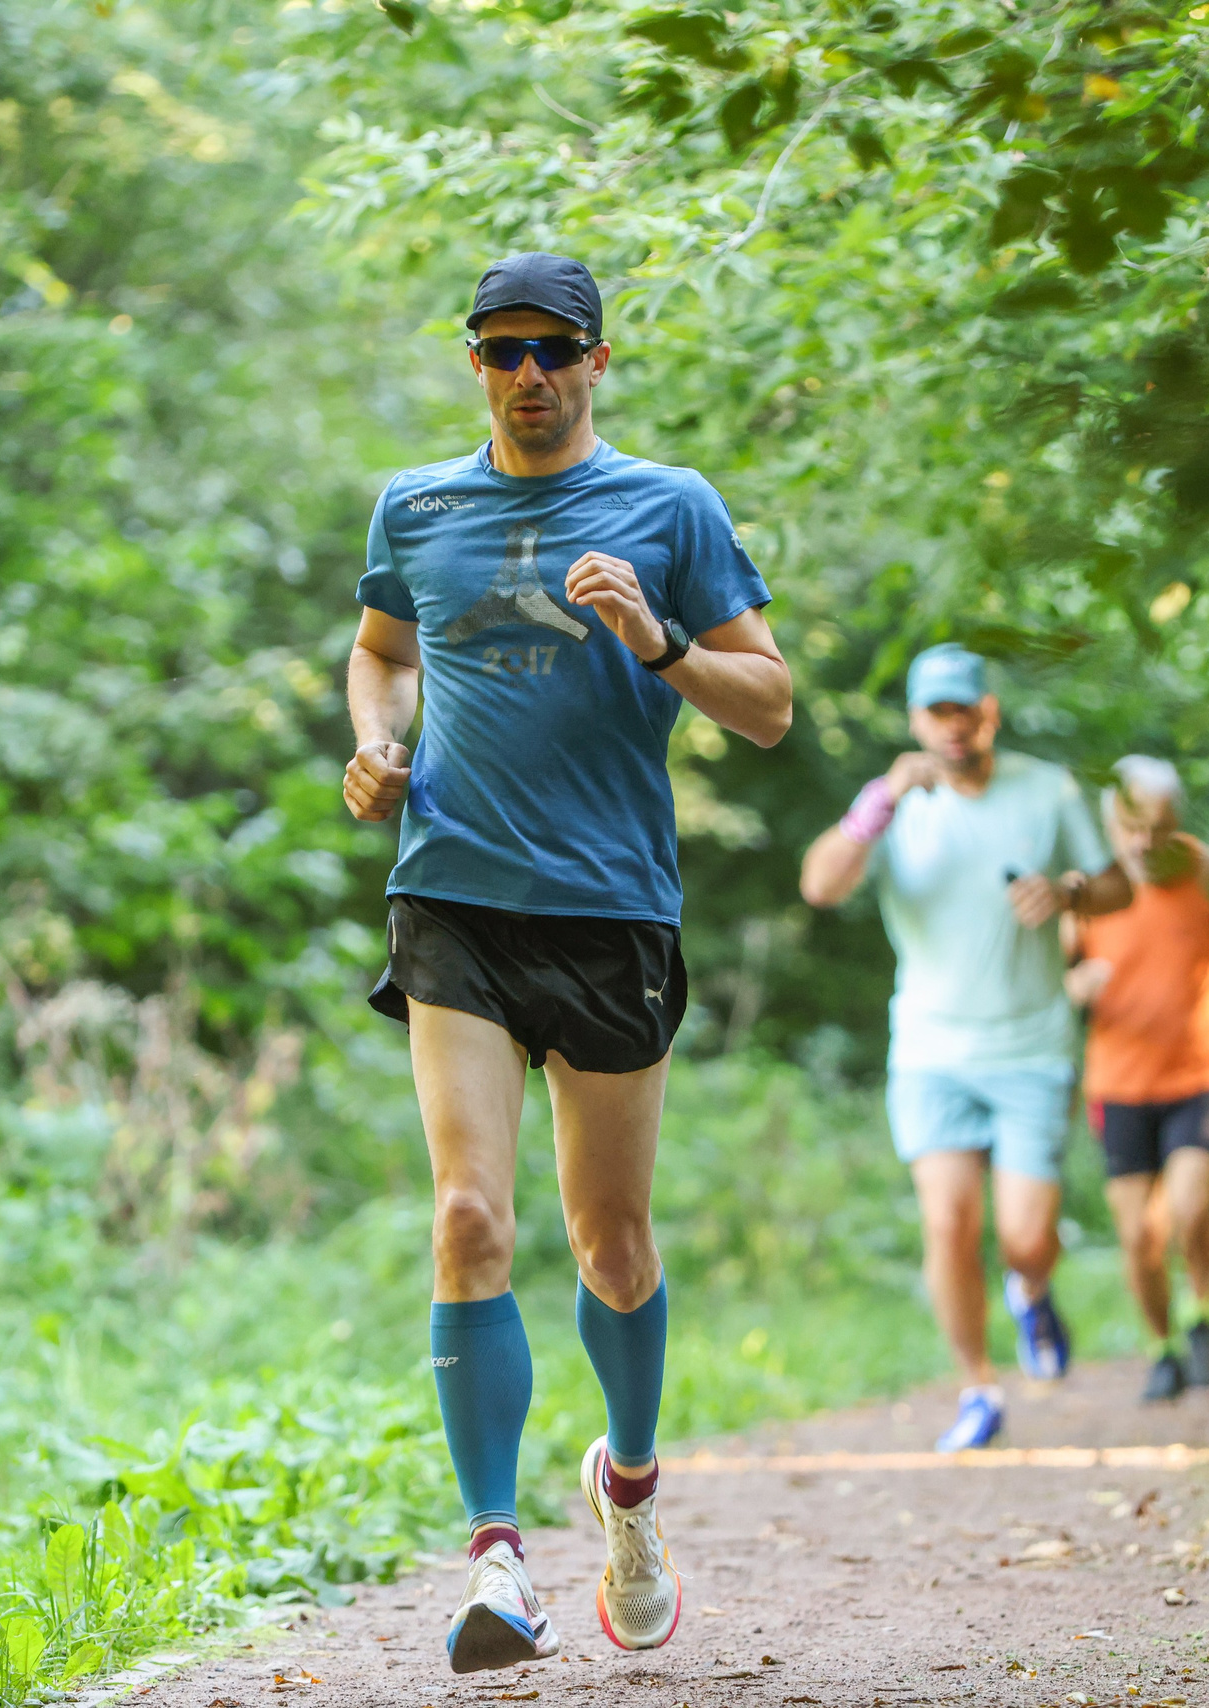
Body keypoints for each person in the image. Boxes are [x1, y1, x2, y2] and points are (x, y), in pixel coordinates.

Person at [341, 252, 793, 1672]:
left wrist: (658, 642)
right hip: (455, 897)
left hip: (611, 910)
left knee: (612, 1242)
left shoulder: (673, 506)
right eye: (500, 349)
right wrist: (374, 743)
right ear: (473, 362)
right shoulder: (416, 505)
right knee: (470, 1218)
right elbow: (378, 651)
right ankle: (494, 1559)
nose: (527, 372)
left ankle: (632, 1493)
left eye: (553, 348)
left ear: (599, 360)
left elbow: (770, 705)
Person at [798, 646, 1131, 1452]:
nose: (953, 726)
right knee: (947, 1223)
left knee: (1024, 1235)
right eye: (936, 712)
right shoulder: (894, 805)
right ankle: (979, 1384)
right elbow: (821, 883)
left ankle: (1032, 1285)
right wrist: (877, 800)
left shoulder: (1047, 789)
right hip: (930, 1049)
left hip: (1031, 1047)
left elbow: (1120, 883)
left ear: (990, 713)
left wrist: (1070, 891)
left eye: (965, 710)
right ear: (917, 722)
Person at [1064, 756, 1209, 1403]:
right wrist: (1077, 984)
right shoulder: (1088, 889)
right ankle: (1162, 1350)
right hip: (1119, 1082)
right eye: (1130, 828)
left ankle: (1202, 1313)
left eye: (1156, 827)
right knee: (1138, 1235)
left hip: (1201, 1072)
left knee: (1190, 1207)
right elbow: (1057, 973)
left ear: (1175, 821)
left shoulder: (1205, 870)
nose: (1143, 843)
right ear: (1110, 824)